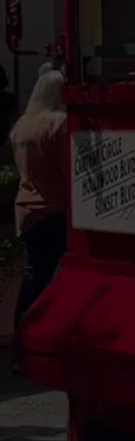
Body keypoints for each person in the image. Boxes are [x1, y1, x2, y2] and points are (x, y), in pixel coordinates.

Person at [10, 68, 69, 374]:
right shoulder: (59, 125)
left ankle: (22, 344)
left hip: (27, 210)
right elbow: (67, 171)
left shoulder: (21, 126)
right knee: (59, 282)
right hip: (56, 209)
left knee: (34, 281)